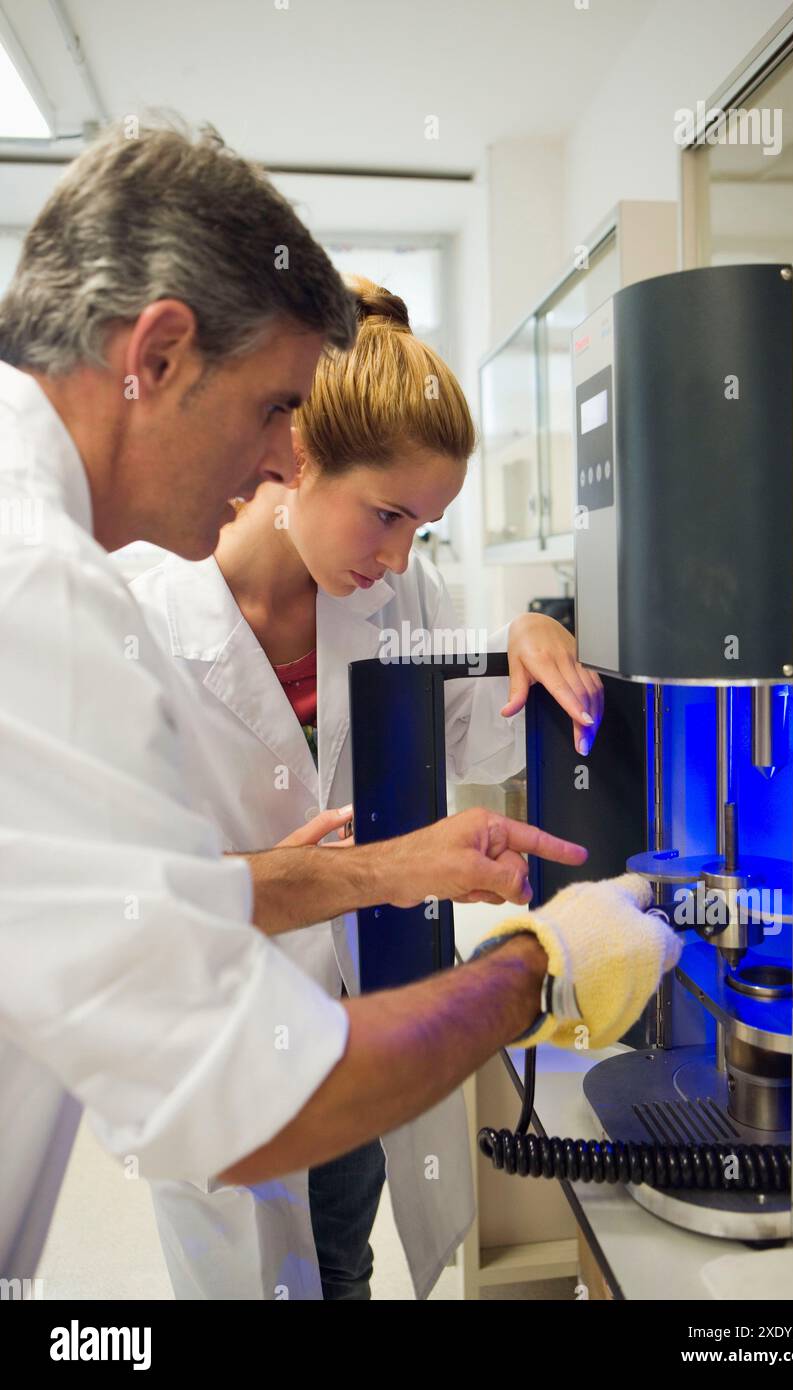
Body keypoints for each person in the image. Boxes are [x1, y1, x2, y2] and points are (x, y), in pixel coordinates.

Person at [0, 121, 679, 1290]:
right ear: (156, 356)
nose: (278, 461)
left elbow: (151, 894)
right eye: (274, 410)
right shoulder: (51, 587)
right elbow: (226, 1086)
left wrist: (386, 867)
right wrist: (540, 966)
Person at [131, 275, 605, 1300]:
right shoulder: (143, 613)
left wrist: (529, 634)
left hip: (350, 1019)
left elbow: (488, 719)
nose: (395, 557)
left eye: (419, 528)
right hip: (212, 1040)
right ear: (296, 456)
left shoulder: (396, 592)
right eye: (384, 513)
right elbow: (123, 897)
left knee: (340, 1262)